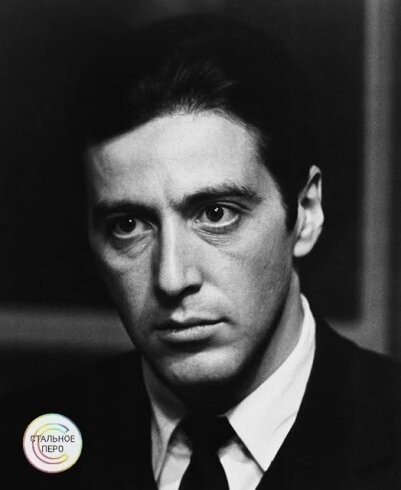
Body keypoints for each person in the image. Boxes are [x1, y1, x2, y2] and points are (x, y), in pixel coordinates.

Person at [2, 13, 400, 490]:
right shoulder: (20, 446)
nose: (171, 278)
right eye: (128, 225)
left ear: (306, 212)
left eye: (216, 214)